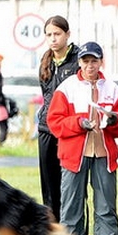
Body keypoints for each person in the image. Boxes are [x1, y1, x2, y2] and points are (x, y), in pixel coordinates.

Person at [47, 41, 118, 235]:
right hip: (74, 155)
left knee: (106, 208)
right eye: (86, 60)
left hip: (104, 156)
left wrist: (113, 121)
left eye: (94, 60)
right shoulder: (66, 87)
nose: (90, 65)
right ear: (79, 62)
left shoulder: (113, 89)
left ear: (101, 61)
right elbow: (54, 123)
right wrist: (78, 123)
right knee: (72, 207)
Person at [37, 15, 80, 223]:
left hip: (70, 132)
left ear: (67, 34)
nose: (53, 39)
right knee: (49, 190)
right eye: (49, 35)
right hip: (46, 130)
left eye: (57, 34)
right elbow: (46, 96)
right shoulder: (45, 61)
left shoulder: (79, 59)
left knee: (72, 189)